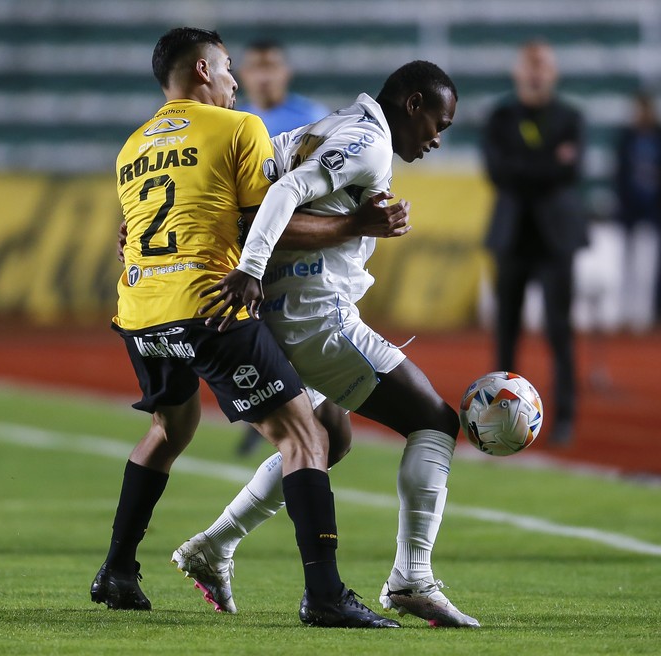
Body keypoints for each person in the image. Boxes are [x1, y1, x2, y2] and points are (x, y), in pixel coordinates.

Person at [90, 27, 398, 629]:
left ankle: (118, 568)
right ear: (204, 70)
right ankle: (325, 594)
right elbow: (265, 224)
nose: (235, 82)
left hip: (141, 310)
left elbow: (134, 233)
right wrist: (355, 226)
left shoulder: (132, 146)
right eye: (228, 67)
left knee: (169, 428)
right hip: (209, 304)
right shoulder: (238, 127)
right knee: (308, 439)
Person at [168, 60, 479, 629]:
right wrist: (251, 268)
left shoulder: (323, 128)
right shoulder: (367, 142)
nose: (437, 138)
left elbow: (242, 196)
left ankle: (213, 546)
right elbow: (286, 191)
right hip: (316, 317)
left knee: (326, 439)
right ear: (413, 104)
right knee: (434, 419)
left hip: (277, 317)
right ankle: (412, 577)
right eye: (439, 123)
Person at [481, 40, 587, 447]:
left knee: (560, 330)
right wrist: (549, 161)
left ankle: (565, 416)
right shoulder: (500, 116)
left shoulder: (570, 117)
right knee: (506, 333)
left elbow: (571, 172)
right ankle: (501, 416)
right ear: (517, 72)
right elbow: (497, 171)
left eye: (543, 64)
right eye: (530, 64)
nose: (536, 72)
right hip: (512, 236)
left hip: (555, 238)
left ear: (554, 72)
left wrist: (522, 165)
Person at [234, 39, 331, 456]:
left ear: (286, 72)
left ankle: (294, 416)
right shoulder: (233, 122)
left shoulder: (314, 118)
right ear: (242, 75)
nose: (265, 76)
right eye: (257, 67)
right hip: (247, 251)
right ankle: (279, 413)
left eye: (272, 66)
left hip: (299, 247)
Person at [613, 92, 661, 333]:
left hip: (654, 208)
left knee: (651, 265)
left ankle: (646, 313)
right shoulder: (627, 137)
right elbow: (620, 173)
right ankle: (624, 311)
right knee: (627, 264)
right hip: (630, 209)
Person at [237, 39, 330, 137]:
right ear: (242, 73)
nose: (263, 77)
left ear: (287, 72)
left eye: (271, 67)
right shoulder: (236, 120)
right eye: (255, 67)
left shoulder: (312, 118)